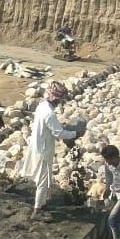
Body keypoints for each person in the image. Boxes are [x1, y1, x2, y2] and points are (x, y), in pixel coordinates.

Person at [20, 81, 77, 219]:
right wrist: (75, 133)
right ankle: (37, 211)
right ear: (56, 98)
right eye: (60, 100)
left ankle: (42, 203)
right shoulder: (49, 114)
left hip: (38, 146)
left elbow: (51, 128)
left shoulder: (42, 106)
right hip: (43, 151)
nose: (60, 103)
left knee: (44, 179)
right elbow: (59, 133)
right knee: (43, 181)